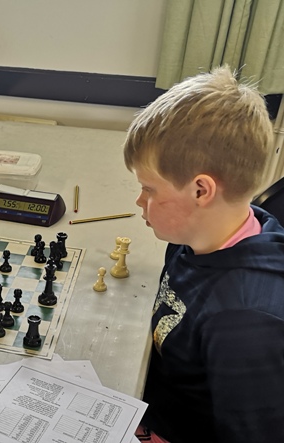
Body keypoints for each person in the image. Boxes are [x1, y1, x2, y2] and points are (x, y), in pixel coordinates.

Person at [124, 66, 284, 443]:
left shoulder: (244, 323)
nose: (140, 201)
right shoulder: (198, 235)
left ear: (201, 191)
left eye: (150, 189)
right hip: (150, 394)